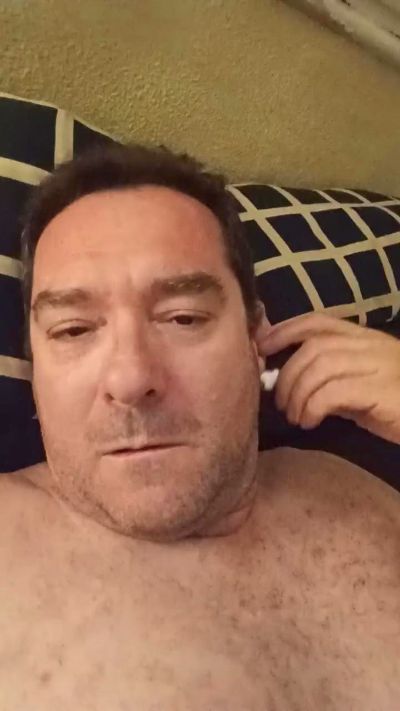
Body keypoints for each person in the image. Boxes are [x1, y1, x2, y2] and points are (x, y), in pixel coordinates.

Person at [1, 143, 399, 710]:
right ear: (34, 371)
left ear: (255, 340)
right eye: (73, 330)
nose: (131, 378)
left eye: (183, 318)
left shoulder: (357, 485)